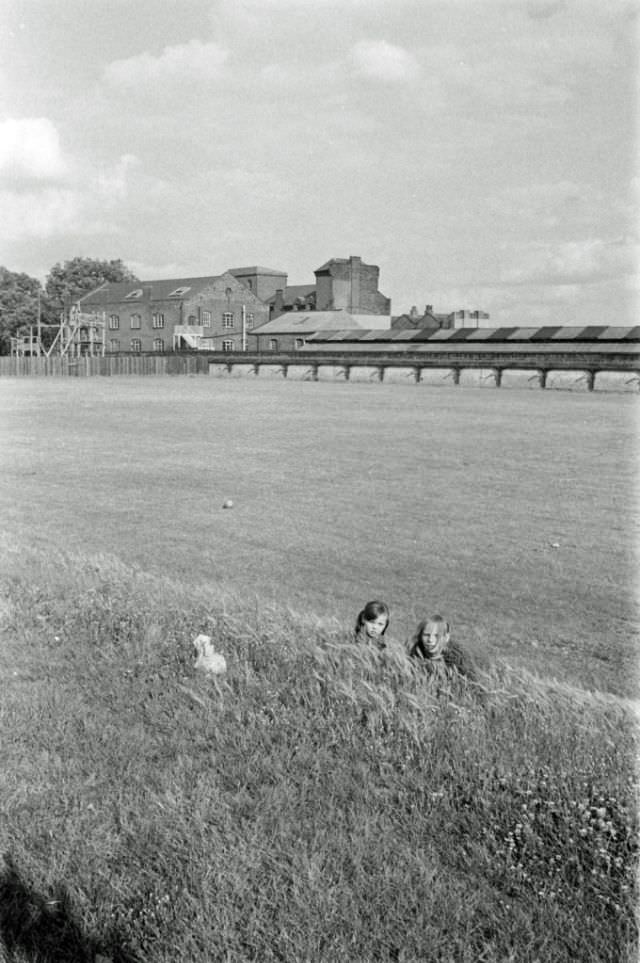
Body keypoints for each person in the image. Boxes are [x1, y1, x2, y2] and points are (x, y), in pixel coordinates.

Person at [408, 614, 475, 681]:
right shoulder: (411, 657)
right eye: (426, 635)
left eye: (436, 636)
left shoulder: (459, 663)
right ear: (420, 636)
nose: (430, 640)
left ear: (446, 637)